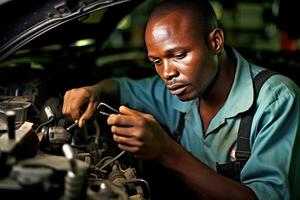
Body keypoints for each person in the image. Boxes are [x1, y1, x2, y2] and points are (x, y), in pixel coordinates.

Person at [62, 0, 300, 199]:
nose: (167, 73)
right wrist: (94, 91)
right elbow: (123, 88)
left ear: (215, 42)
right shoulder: (174, 91)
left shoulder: (276, 100)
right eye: (156, 62)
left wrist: (167, 152)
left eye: (178, 55)